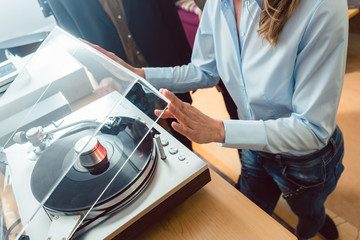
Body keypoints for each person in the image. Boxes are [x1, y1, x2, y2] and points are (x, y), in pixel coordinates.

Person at [88, 0, 348, 239]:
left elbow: (313, 128)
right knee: (248, 211)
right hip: (251, 145)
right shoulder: (219, 3)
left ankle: (314, 222)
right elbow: (204, 69)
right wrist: (140, 74)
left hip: (304, 158)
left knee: (307, 211)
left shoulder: (321, 7)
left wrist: (220, 130)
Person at [48, 0, 194, 150]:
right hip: (119, 80)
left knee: (182, 133)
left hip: (163, 63)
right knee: (141, 144)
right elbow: (75, 41)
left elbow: (168, 13)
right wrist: (102, 75)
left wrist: (187, 63)